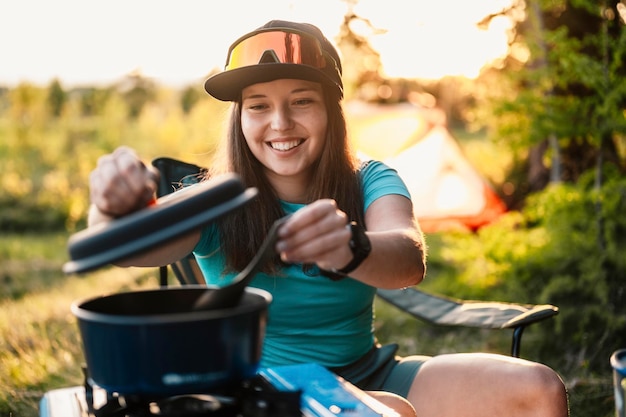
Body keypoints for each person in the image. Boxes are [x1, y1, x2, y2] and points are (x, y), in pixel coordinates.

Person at [88, 20, 569, 417]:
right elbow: (120, 245)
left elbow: (408, 256)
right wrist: (111, 208)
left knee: (538, 390)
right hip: (262, 394)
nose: (280, 123)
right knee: (384, 414)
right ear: (240, 121)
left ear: (331, 111)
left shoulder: (369, 180)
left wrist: (351, 247)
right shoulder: (213, 199)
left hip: (369, 370)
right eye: (258, 106)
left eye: (301, 101)